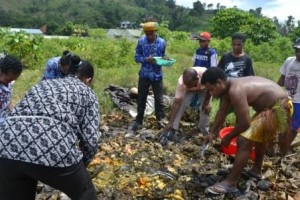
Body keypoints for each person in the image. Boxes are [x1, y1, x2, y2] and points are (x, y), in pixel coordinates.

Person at [0, 60, 100, 200]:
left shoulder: (44, 84)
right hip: (52, 144)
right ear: (88, 80)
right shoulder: (87, 93)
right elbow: (91, 141)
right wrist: (80, 167)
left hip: (6, 143)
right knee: (85, 194)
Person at [201, 67, 292, 195]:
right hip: (270, 107)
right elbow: (222, 112)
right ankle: (256, 170)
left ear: (219, 82)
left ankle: (230, 183)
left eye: (211, 89)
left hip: (279, 108)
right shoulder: (227, 89)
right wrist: (212, 132)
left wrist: (229, 137)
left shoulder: (235, 90)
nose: (211, 93)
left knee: (243, 140)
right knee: (257, 137)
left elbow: (244, 123)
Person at [159, 67, 211, 145]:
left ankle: (206, 134)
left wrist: (206, 102)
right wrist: (170, 122)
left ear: (197, 79)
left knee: (205, 109)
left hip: (205, 88)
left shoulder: (205, 74)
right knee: (180, 104)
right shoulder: (182, 83)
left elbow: (210, 88)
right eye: (186, 84)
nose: (187, 86)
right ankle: (173, 128)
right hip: (192, 88)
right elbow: (176, 102)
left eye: (189, 84)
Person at [131, 18, 167, 131]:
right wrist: (146, 59)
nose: (149, 36)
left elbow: (163, 57)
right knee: (141, 98)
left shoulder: (162, 42)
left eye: (151, 34)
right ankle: (138, 120)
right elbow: (136, 57)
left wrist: (163, 60)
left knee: (159, 100)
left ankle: (160, 121)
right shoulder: (141, 41)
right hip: (144, 75)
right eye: (147, 34)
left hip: (157, 75)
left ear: (155, 32)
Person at [278, 37, 300, 145]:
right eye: (297, 50)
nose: (299, 53)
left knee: (294, 125)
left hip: (298, 101)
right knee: (281, 123)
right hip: (285, 98)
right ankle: (280, 144)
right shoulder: (289, 61)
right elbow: (281, 79)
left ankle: (285, 147)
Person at [0, 54, 23, 124]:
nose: (9, 83)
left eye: (13, 80)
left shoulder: (6, 82)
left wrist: (13, 109)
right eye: (8, 80)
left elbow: (8, 99)